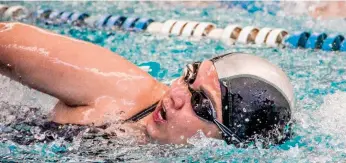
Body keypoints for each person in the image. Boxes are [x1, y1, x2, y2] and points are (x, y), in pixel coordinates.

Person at [0, 22, 294, 146]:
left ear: (231, 141)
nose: (176, 93)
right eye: (190, 75)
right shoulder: (123, 91)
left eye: (201, 103)